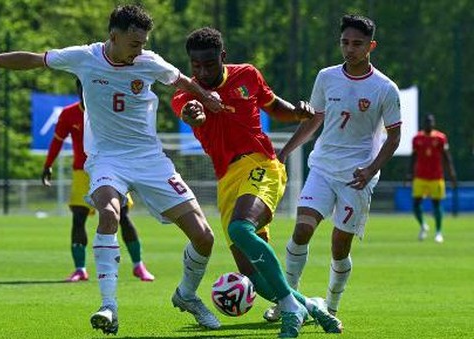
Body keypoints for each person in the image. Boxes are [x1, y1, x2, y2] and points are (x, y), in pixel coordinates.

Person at [0, 4, 226, 334]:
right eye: (134, 43)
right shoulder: (83, 57)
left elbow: (180, 80)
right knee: (109, 213)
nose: (140, 50)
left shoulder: (149, 62)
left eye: (143, 43)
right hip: (107, 159)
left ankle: (186, 295)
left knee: (204, 237)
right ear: (114, 36)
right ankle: (108, 306)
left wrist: (208, 97)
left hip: (150, 158)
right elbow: (32, 60)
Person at [171, 27, 342, 338]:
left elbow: (274, 106)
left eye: (209, 64)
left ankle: (291, 311)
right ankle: (313, 307)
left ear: (222, 57)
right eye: (195, 65)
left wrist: (299, 112)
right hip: (227, 181)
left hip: (262, 164)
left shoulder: (247, 75)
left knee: (240, 228)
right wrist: (194, 113)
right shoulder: (186, 94)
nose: (202, 71)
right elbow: (188, 112)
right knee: (254, 276)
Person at [266, 14, 402, 320]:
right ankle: (286, 302)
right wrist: (286, 150)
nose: (349, 49)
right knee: (301, 230)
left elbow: (394, 138)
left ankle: (331, 304)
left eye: (357, 44)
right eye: (345, 42)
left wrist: (369, 170)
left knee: (339, 248)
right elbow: (315, 118)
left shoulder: (385, 88)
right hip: (323, 168)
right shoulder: (326, 77)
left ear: (371, 46)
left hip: (357, 178)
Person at [42, 79, 155, 282]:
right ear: (78, 89)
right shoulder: (69, 114)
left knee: (123, 217)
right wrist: (47, 165)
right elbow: (57, 141)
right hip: (82, 173)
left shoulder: (109, 109)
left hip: (112, 170)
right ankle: (80, 269)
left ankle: (139, 265)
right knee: (78, 219)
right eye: (81, 88)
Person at [408, 114, 457, 243]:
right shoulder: (417, 138)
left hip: (436, 176)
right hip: (420, 176)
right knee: (416, 204)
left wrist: (451, 173)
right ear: (424, 124)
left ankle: (438, 232)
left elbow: (447, 156)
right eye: (427, 122)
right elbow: (413, 157)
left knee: (437, 204)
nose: (429, 124)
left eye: (431, 122)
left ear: (434, 123)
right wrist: (409, 174)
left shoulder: (441, 138)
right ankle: (423, 225)